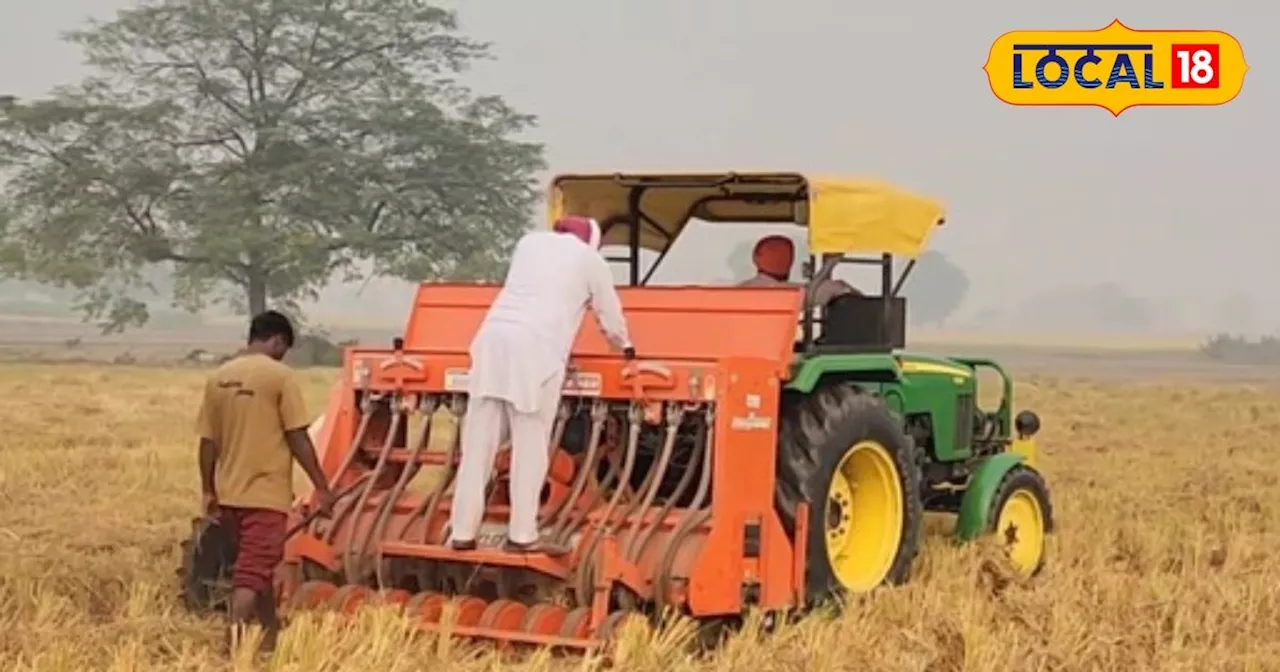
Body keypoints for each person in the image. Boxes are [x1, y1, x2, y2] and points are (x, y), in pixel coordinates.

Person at [448, 215, 634, 555]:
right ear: (591, 240)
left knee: (477, 446)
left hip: (490, 340)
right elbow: (609, 314)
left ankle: (461, 533)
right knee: (530, 445)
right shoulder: (591, 260)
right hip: (536, 349)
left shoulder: (528, 244)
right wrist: (626, 348)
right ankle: (522, 535)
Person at [195, 310, 337, 653]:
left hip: (229, 496)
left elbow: (207, 443)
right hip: (265, 495)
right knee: (249, 575)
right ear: (276, 340)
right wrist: (321, 485)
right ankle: (229, 651)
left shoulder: (219, 377)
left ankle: (270, 638)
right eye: (283, 347)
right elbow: (298, 438)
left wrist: (209, 489)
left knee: (258, 569)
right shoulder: (280, 377)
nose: (282, 353)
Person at [737, 235, 859, 305]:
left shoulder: (739, 291)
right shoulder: (788, 294)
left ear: (755, 258)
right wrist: (830, 264)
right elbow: (828, 290)